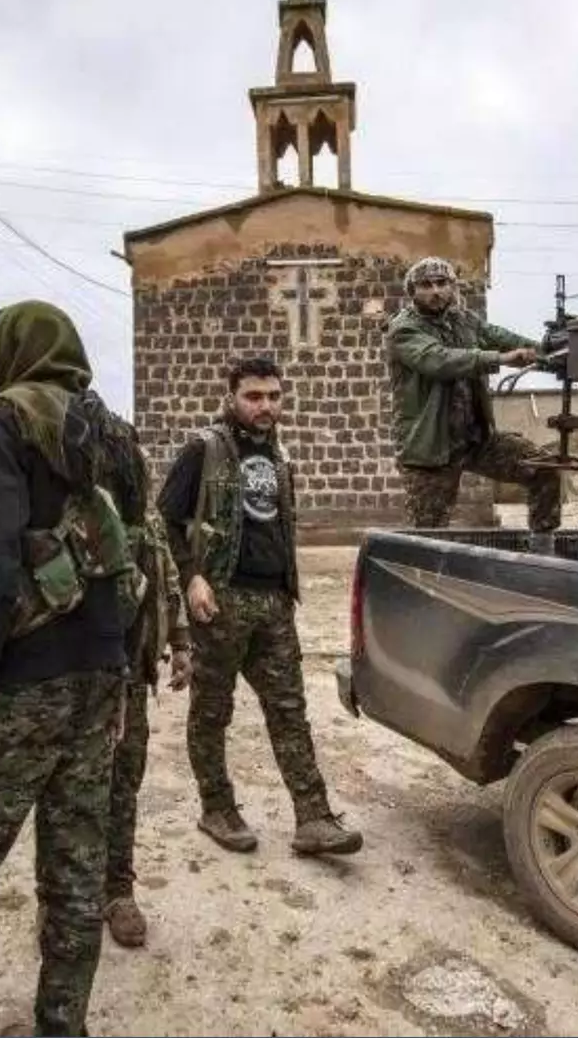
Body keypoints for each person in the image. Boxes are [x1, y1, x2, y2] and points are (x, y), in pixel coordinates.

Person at [0, 300, 136, 1037]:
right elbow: (138, 560)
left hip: (19, 680)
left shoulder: (2, 419)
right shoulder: (114, 431)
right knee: (74, 876)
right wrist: (125, 674)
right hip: (101, 674)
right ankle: (61, 1026)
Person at [157, 356, 363, 857]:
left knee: (290, 711)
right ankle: (217, 807)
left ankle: (313, 818)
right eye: (253, 396)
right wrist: (192, 577)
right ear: (231, 397)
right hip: (221, 601)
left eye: (273, 396)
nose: (265, 405)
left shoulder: (279, 454)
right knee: (212, 710)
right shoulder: (203, 449)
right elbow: (164, 519)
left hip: (274, 603)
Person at [385, 256, 563, 532]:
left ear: (452, 287)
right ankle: (425, 575)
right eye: (426, 285)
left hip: (476, 440)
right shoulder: (404, 329)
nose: (435, 291)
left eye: (442, 283)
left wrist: (548, 352)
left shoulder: (464, 320)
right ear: (413, 291)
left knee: (544, 469)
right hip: (430, 449)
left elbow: (501, 337)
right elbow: (439, 361)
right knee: (429, 535)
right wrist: (500, 359)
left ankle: (542, 550)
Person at [103, 462, 193, 950]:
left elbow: (168, 578)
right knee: (68, 800)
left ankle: (118, 890)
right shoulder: (72, 510)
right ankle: (56, 901)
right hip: (80, 683)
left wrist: (179, 642)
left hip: (134, 680)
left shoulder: (147, 518)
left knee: (122, 789)